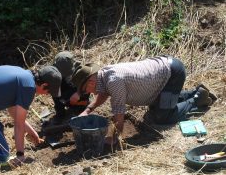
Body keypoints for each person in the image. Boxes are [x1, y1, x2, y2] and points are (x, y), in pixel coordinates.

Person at [71, 55, 216, 141]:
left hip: (172, 73)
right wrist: (88, 110)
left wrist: (114, 137)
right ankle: (195, 91)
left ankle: (197, 98)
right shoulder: (104, 75)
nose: (86, 93)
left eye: (85, 90)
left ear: (90, 82)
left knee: (162, 117)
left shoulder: (113, 81)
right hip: (161, 75)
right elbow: (103, 94)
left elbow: (119, 112)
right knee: (157, 107)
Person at [51, 51, 90, 123]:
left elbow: (89, 85)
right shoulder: (53, 72)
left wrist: (79, 93)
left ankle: (79, 108)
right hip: (65, 92)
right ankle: (60, 114)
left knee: (82, 100)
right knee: (55, 91)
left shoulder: (82, 70)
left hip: (77, 92)